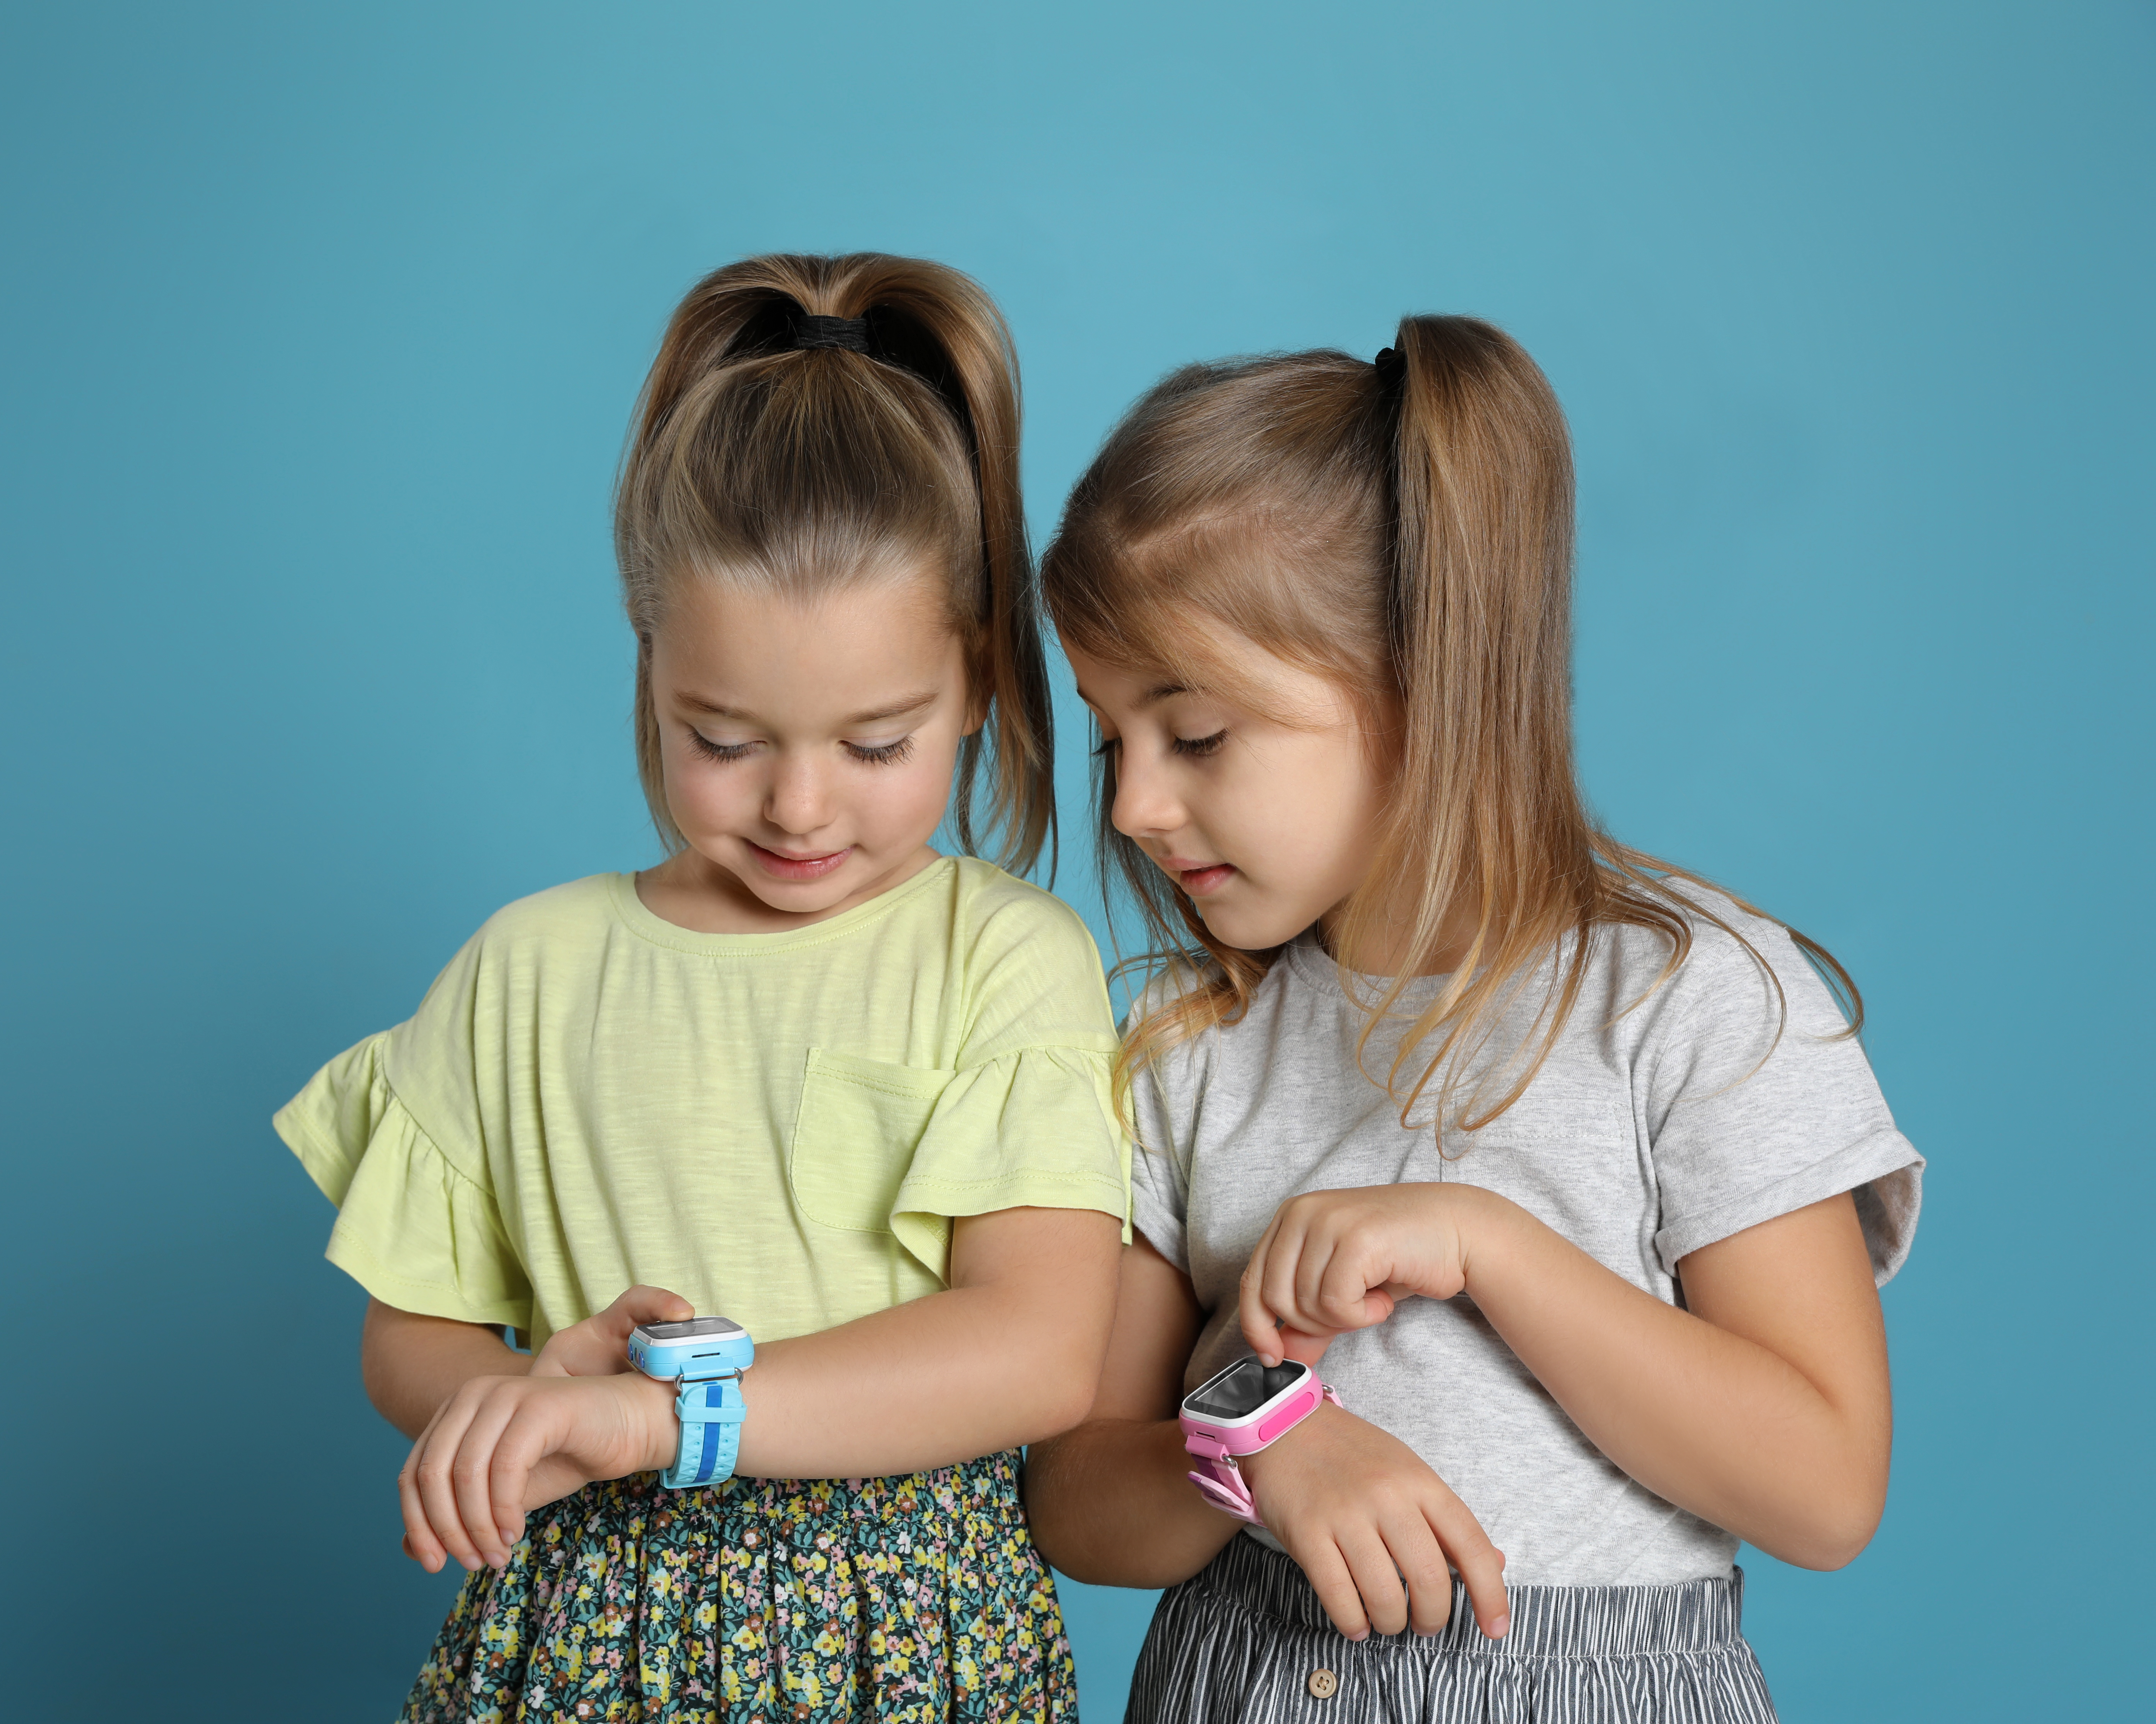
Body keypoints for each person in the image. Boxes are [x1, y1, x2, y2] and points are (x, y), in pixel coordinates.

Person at [1022, 318, 1921, 1723]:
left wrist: (1490, 1245)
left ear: (1425, 681)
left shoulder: (1692, 1002)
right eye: (1109, 736)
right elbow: (1078, 1495)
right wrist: (1255, 1451)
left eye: (1193, 734)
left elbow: (1824, 1489)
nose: (1134, 805)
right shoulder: (1189, 1042)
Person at [275, 253, 1130, 1723]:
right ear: (648, 657)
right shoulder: (523, 971)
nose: (800, 808)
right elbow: (408, 1335)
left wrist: (659, 1420)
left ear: (979, 683)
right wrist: (523, 1403)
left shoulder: (1002, 961)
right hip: (574, 1647)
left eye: (877, 746)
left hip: (904, 1651)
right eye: (723, 739)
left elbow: (1039, 1349)